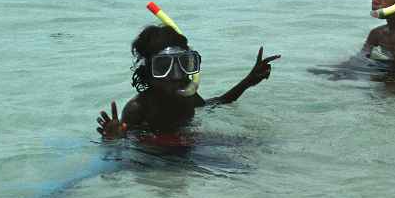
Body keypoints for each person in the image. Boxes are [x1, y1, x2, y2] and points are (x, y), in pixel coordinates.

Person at [96, 22, 279, 137]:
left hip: (186, 148)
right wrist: (114, 138)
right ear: (149, 73)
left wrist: (248, 81)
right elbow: (127, 150)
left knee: (254, 147)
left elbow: (216, 103)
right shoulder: (138, 108)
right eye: (164, 67)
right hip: (157, 159)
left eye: (183, 64)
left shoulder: (186, 96)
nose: (176, 75)